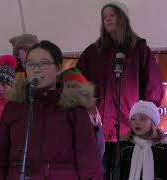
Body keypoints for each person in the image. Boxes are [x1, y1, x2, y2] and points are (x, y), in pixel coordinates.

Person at [0, 40, 103, 180]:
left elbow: (89, 162)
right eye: (30, 64)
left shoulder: (74, 108)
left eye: (43, 63)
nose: (36, 69)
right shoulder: (14, 106)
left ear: (59, 68)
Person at [76, 2, 164, 178]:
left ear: (123, 18)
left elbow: (153, 86)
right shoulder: (93, 51)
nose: (107, 18)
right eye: (104, 16)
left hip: (129, 129)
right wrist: (86, 105)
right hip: (97, 129)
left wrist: (145, 117)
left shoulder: (139, 49)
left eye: (112, 14)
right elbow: (75, 81)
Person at [58, 67, 105, 160]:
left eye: (74, 86)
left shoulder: (60, 108)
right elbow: (99, 143)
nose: (72, 90)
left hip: (70, 163)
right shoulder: (92, 108)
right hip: (89, 162)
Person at [119, 100, 167, 180]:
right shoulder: (124, 146)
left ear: (152, 122)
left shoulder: (163, 148)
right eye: (133, 119)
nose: (137, 122)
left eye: (142, 119)